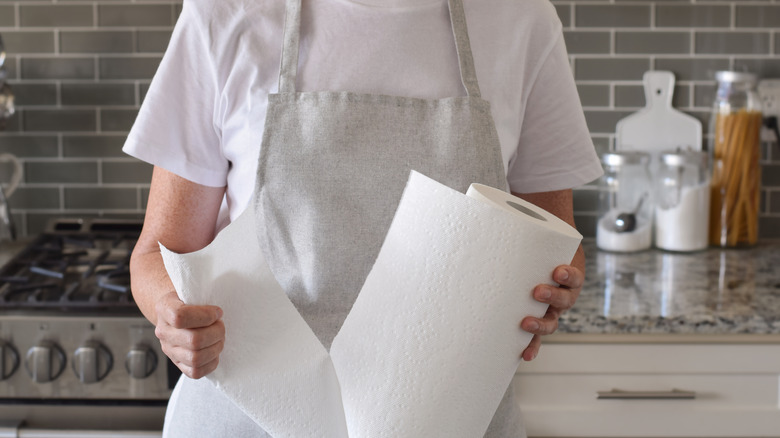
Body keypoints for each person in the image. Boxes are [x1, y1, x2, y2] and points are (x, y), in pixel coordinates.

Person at [124, 0, 603, 436]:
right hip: (248, 415)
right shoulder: (226, 15)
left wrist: (553, 289)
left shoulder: (521, 19)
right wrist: (172, 312)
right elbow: (158, 252)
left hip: (451, 416)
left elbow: (558, 242)